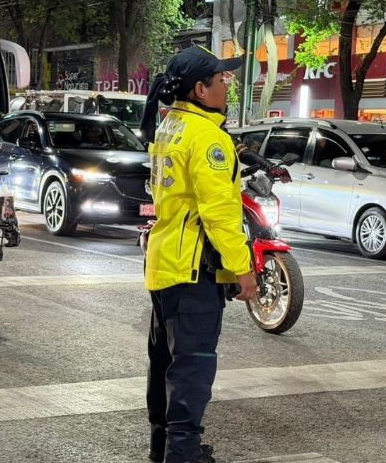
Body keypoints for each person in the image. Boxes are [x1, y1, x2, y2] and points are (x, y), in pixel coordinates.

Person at [139, 46, 259, 463]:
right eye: (222, 80)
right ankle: (184, 452)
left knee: (164, 361)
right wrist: (243, 269)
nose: (227, 86)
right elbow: (220, 213)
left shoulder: (171, 125)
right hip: (193, 268)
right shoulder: (208, 137)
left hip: (164, 261)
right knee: (193, 366)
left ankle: (163, 444)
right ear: (200, 89)